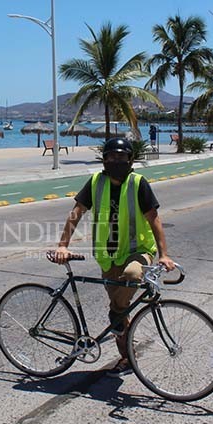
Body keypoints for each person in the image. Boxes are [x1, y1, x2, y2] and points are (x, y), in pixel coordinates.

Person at [53, 137, 175, 378]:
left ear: (130, 160)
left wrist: (164, 255)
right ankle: (127, 358)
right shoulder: (96, 182)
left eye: (121, 157)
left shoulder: (138, 183)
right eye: (111, 157)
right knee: (118, 310)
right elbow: (76, 212)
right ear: (105, 160)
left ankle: (121, 333)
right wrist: (62, 245)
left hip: (138, 251)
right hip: (107, 258)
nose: (116, 161)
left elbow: (154, 219)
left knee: (129, 281)